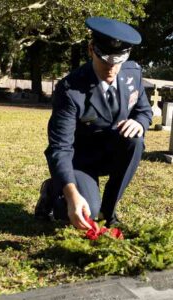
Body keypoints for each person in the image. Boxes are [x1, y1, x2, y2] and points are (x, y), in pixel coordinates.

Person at [35, 16, 152, 230]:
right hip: (81, 161)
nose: (111, 67)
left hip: (112, 153)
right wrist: (71, 195)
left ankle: (109, 212)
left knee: (135, 141)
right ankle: (53, 189)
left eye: (117, 60)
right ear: (91, 49)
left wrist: (139, 122)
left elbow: (144, 111)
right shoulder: (70, 89)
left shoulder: (132, 73)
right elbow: (60, 148)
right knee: (76, 211)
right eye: (105, 58)